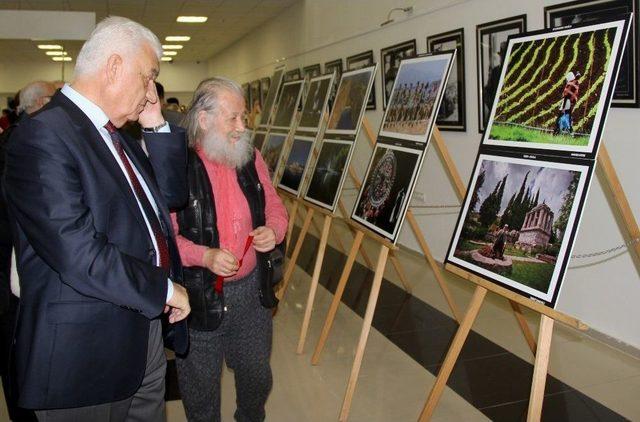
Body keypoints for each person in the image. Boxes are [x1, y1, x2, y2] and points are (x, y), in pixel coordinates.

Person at [3, 16, 191, 421]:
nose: (150, 90)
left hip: (143, 337)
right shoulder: (44, 135)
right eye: (148, 77)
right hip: (85, 356)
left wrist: (156, 124)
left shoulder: (117, 133)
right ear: (114, 67)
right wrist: (162, 290)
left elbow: (172, 199)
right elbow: (77, 251)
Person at [171, 77, 288, 422]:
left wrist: (274, 230)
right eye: (233, 118)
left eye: (244, 119)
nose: (242, 127)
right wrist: (204, 256)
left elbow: (275, 207)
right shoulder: (178, 166)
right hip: (198, 296)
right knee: (200, 390)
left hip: (251, 294)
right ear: (204, 119)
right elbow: (166, 238)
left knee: (256, 376)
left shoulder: (250, 158)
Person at [0, 80, 55, 422]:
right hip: (15, 273)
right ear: (35, 105)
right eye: (54, 99)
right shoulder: (19, 144)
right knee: (20, 357)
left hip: (27, 269)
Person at [555, 71, 581, 135]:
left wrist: (563, 107)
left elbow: (566, 96)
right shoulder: (576, 83)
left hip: (566, 102)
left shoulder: (570, 84)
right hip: (571, 103)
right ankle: (570, 131)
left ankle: (557, 131)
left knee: (560, 117)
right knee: (568, 117)